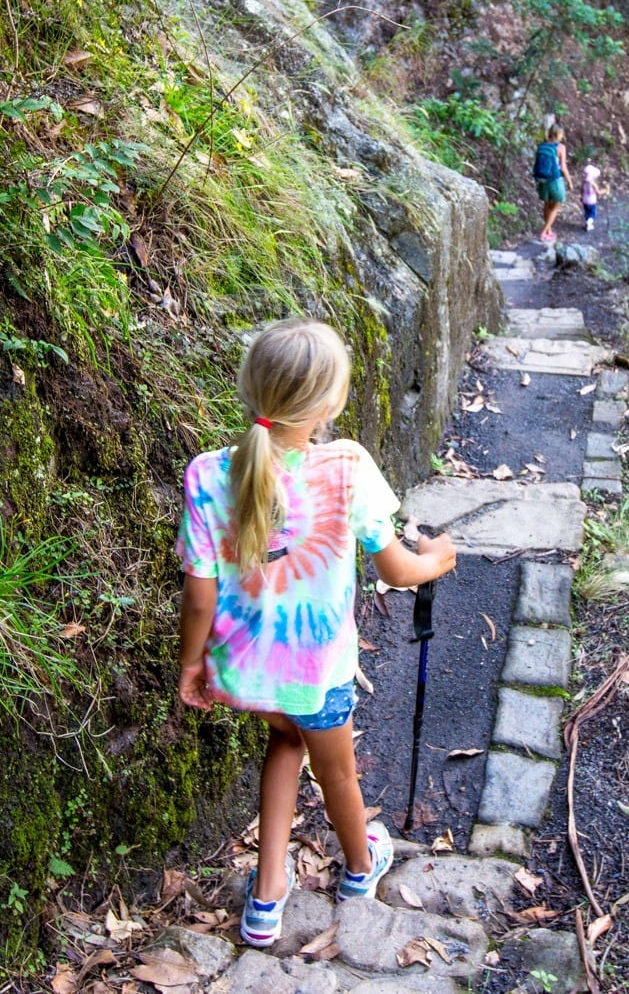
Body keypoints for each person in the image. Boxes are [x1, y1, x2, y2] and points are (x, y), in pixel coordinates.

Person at [175, 318, 456, 949]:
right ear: (330, 404)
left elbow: (199, 595)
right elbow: (397, 569)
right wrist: (438, 559)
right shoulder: (347, 466)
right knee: (339, 776)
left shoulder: (207, 473)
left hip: (249, 673)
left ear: (249, 386)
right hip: (317, 671)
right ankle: (361, 868)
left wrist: (191, 665)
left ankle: (267, 896)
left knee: (284, 742)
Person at [535, 124, 573, 243]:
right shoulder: (560, 147)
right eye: (562, 134)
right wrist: (570, 181)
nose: (562, 136)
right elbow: (563, 168)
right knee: (556, 206)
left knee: (547, 204)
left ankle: (549, 231)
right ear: (558, 134)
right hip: (555, 180)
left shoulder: (542, 146)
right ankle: (544, 232)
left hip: (542, 179)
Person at [581, 163, 610, 232]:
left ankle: (587, 223)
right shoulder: (593, 183)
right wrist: (606, 190)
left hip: (585, 200)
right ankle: (589, 222)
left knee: (587, 212)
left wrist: (581, 197)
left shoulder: (583, 182)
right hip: (591, 201)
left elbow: (581, 190)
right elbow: (598, 192)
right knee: (593, 213)